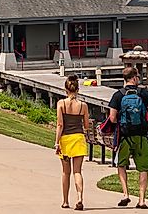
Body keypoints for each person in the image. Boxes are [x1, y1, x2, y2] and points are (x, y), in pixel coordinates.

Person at [109, 67, 148, 209]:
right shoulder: (144, 94)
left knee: (121, 165)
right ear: (134, 78)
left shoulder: (118, 95)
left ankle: (126, 194)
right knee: (143, 168)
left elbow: (112, 117)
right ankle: (141, 200)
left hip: (125, 138)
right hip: (141, 137)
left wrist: (122, 122)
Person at [55, 74, 90, 210]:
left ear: (66, 89)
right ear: (78, 89)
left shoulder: (61, 104)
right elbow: (86, 126)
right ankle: (80, 198)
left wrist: (57, 143)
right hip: (78, 139)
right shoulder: (83, 106)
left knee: (65, 172)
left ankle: (65, 201)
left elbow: (59, 125)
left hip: (65, 140)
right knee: (77, 171)